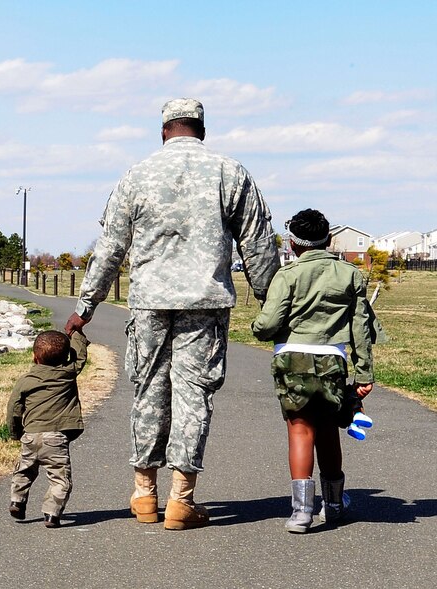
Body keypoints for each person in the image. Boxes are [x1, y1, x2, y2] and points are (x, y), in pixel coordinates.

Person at [65, 98, 280, 530]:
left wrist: (85, 307)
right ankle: (182, 499)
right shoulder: (230, 172)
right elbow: (257, 244)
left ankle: (144, 494)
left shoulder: (136, 175)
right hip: (206, 305)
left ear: (163, 131)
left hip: (149, 304)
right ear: (202, 129)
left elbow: (110, 247)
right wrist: (273, 305)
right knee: (193, 396)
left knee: (148, 392)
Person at [251, 209, 374, 533]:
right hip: (331, 359)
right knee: (329, 431)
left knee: (300, 430)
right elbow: (361, 327)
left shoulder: (287, 275)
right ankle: (333, 505)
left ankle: (301, 513)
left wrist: (258, 327)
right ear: (329, 239)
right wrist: (364, 373)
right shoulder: (350, 275)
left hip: (292, 359)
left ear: (292, 244)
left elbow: (268, 324)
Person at [6, 329, 88, 529]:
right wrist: (76, 333)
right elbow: (81, 357)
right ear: (66, 356)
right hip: (55, 438)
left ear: (35, 356)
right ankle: (52, 514)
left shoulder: (26, 380)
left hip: (31, 435)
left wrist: (16, 433)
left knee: (24, 470)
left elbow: (14, 409)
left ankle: (17, 500)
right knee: (59, 478)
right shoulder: (67, 373)